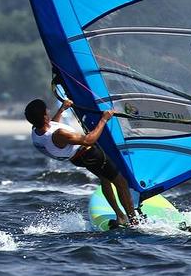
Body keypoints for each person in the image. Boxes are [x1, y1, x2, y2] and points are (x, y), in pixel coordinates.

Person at [25, 96, 138, 228]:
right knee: (121, 182)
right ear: (44, 117)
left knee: (105, 179)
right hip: (90, 154)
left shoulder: (36, 132)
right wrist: (104, 119)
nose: (48, 111)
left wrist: (62, 110)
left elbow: (51, 127)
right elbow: (88, 140)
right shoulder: (59, 135)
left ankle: (120, 216)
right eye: (46, 111)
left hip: (78, 159)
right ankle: (133, 221)